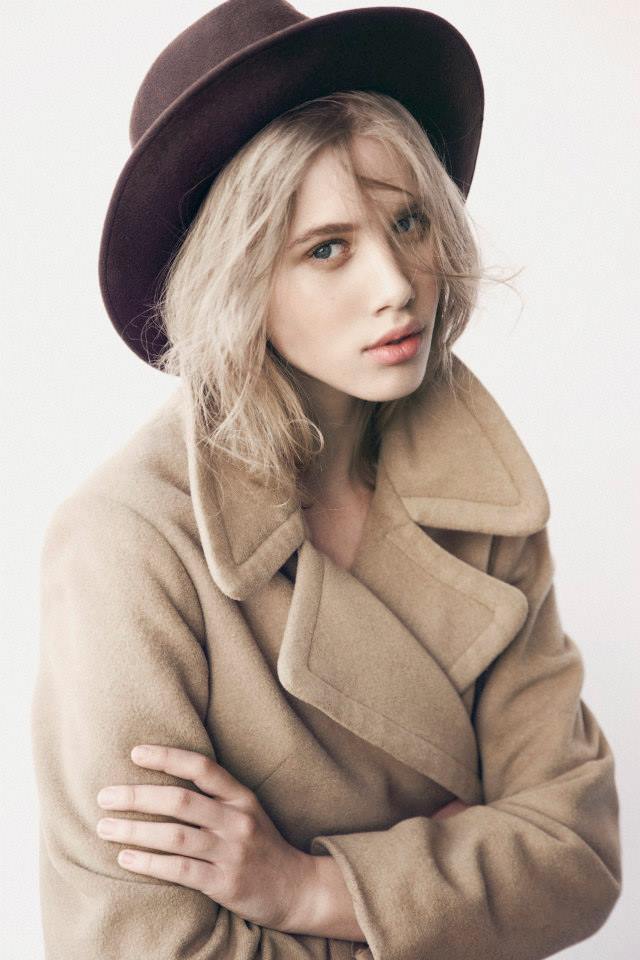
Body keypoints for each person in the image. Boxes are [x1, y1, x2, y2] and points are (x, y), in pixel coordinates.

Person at [30, 2, 622, 959]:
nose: (397, 284)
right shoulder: (128, 543)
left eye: (408, 221)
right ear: (236, 279)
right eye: (327, 249)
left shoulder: (484, 495)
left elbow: (577, 853)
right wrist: (451, 895)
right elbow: (141, 944)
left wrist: (308, 888)